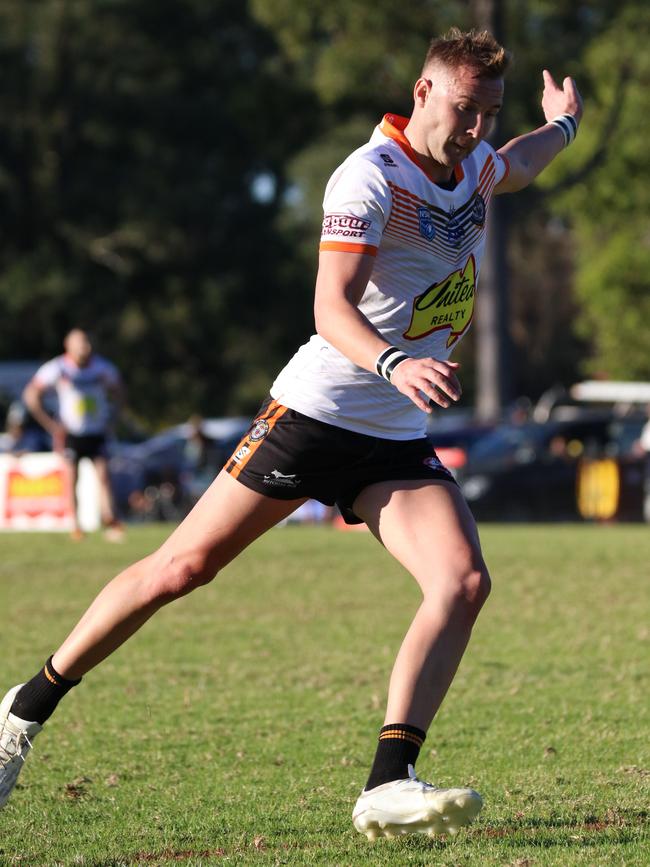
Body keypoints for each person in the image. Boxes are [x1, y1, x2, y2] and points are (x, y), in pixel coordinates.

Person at [0, 29, 582, 840]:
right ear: (421, 94)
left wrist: (562, 127)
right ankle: (23, 711)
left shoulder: (476, 162)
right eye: (463, 109)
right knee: (181, 567)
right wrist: (393, 364)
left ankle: (388, 782)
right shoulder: (368, 177)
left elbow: (516, 165)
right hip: (315, 415)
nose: (477, 128)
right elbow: (329, 307)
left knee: (463, 581)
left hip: (392, 435)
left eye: (488, 112)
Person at [21, 328, 125, 541]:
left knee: (104, 476)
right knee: (72, 479)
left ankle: (109, 518)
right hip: (71, 434)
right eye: (79, 342)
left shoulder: (102, 367)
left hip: (96, 432)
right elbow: (31, 395)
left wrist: (112, 419)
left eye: (86, 342)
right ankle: (76, 526)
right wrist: (51, 425)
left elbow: (120, 392)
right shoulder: (57, 368)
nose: (84, 347)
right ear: (67, 345)